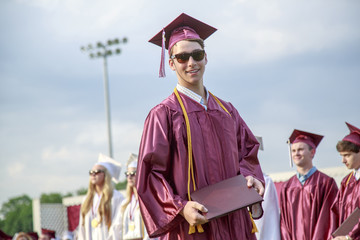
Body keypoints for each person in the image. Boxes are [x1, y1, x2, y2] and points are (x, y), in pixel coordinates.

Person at [136, 13, 265, 240]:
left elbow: (248, 153)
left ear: (206, 57)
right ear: (171, 64)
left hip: (235, 225)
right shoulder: (163, 114)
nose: (191, 63)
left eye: (197, 54)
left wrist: (250, 177)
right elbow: (151, 175)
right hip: (192, 228)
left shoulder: (227, 111)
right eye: (182, 57)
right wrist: (180, 207)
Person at [279, 129, 339, 240]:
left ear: (312, 152)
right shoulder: (287, 187)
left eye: (300, 149)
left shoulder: (326, 183)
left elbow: (328, 219)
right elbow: (284, 223)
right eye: (293, 150)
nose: (296, 153)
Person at [78, 153, 125, 240]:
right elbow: (82, 228)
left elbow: (117, 226)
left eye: (97, 172)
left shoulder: (116, 197)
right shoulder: (86, 200)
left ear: (106, 175)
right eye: (91, 172)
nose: (93, 174)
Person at [328, 122, 360, 240]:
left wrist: (350, 236)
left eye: (347, 155)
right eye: (341, 155)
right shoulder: (346, 181)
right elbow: (336, 212)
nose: (343, 160)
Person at [120, 153, 156, 240]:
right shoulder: (126, 203)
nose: (129, 177)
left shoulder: (149, 200)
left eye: (133, 173)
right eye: (127, 174)